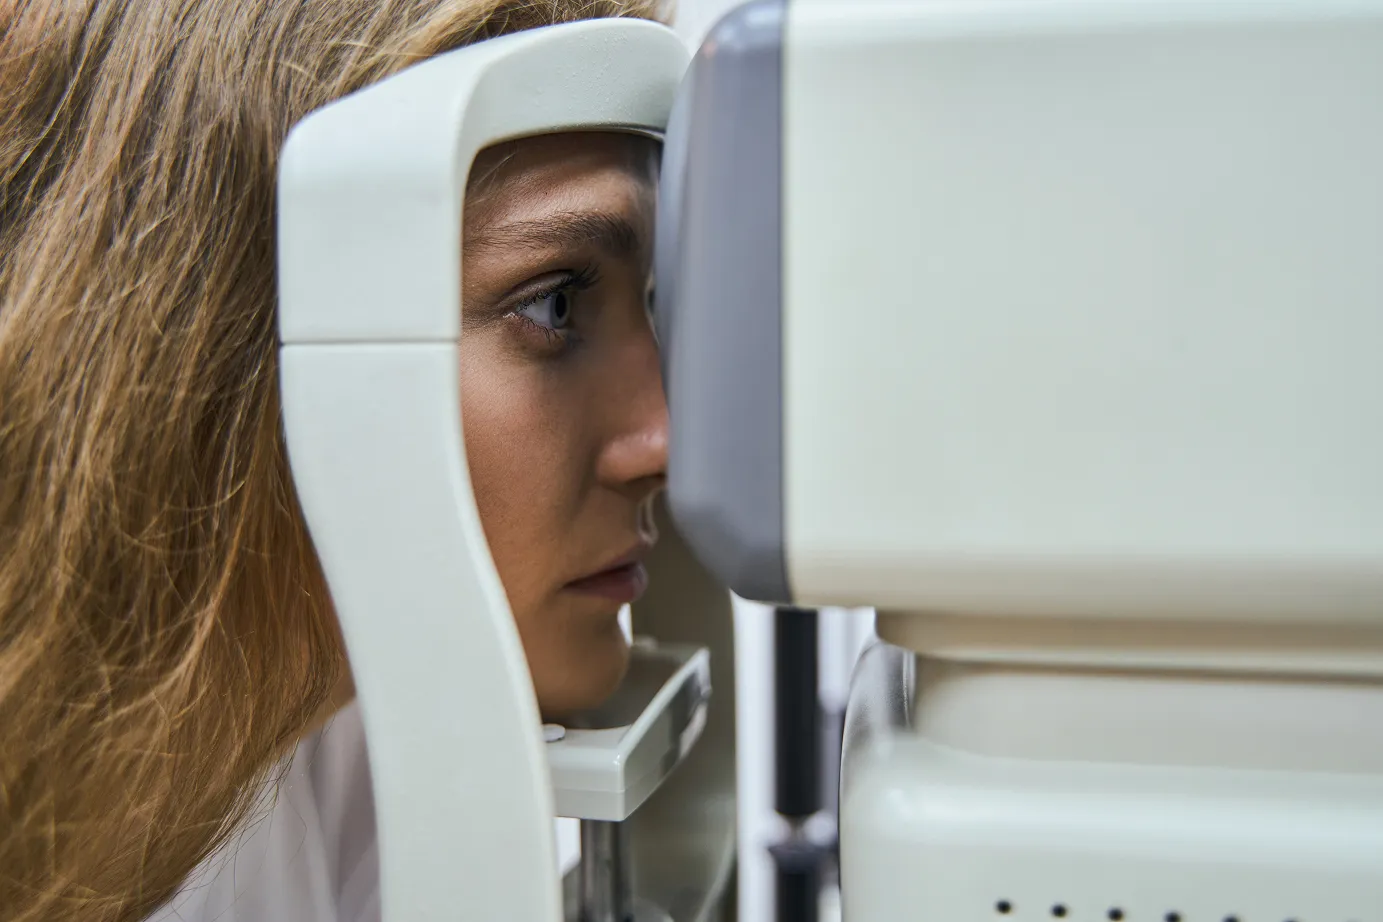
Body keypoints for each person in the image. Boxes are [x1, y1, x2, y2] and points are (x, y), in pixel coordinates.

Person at [0, 1, 668, 920]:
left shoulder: (354, 730)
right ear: (212, 336)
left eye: (657, 299)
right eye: (553, 305)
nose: (662, 443)